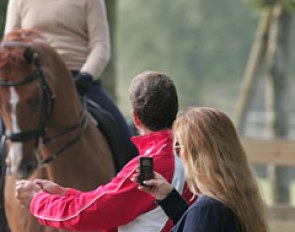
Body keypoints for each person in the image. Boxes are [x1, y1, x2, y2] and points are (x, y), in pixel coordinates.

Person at [15, 71, 195, 232]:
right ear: (175, 110)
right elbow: (109, 200)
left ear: (135, 117)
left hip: (85, 77)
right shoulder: (190, 154)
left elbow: (91, 214)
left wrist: (37, 201)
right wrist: (63, 193)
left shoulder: (148, 166)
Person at [4, 0, 138, 168]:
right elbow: (9, 45)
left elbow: (100, 46)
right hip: (32, 83)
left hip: (79, 80)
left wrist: (86, 76)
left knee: (123, 136)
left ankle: (139, 185)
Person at [132, 107, 268, 232]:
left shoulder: (206, 211)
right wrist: (168, 198)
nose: (177, 154)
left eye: (179, 146)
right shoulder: (235, 203)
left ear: (196, 155)